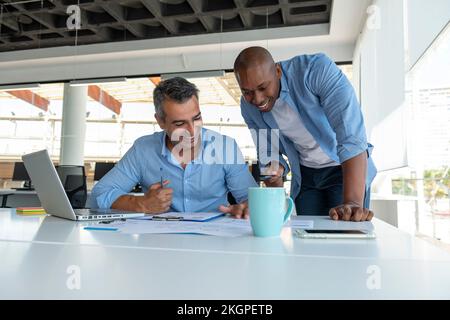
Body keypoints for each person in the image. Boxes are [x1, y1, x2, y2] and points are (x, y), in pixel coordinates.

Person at [234, 47, 377, 222]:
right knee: (307, 236)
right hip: (305, 175)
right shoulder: (248, 107)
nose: (256, 99)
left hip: (343, 168)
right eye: (247, 92)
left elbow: (351, 136)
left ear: (277, 72)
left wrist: (353, 202)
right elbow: (267, 152)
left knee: (347, 232)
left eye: (263, 87)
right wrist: (272, 173)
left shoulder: (315, 70)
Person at [90, 77, 257, 219]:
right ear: (161, 121)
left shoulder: (225, 147)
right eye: (180, 123)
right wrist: (141, 204)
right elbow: (99, 194)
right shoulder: (143, 150)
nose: (192, 131)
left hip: (214, 242)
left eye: (196, 118)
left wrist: (246, 207)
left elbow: (254, 198)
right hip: (161, 244)